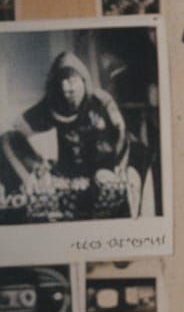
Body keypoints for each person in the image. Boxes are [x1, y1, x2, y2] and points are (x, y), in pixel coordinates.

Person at [2, 51, 136, 220]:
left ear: (84, 80)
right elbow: (10, 136)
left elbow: (121, 135)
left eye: (72, 80)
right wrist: (32, 170)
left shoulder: (101, 102)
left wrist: (114, 168)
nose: (67, 88)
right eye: (61, 81)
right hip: (63, 184)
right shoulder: (48, 106)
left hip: (101, 177)